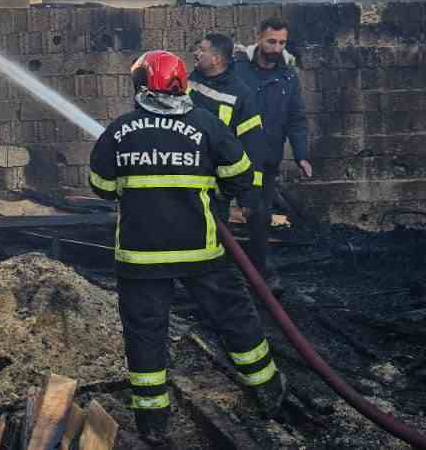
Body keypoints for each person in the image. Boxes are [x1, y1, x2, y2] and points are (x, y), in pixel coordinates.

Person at [89, 51, 285, 444]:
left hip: (140, 259)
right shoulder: (206, 125)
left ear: (142, 84)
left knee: (145, 334)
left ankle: (152, 422)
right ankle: (267, 389)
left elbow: (102, 187)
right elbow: (241, 175)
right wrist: (215, 187)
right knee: (233, 316)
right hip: (201, 252)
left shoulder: (119, 130)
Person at [232, 17, 313, 273]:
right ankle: (214, 270)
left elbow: (296, 117)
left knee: (260, 216)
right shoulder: (237, 69)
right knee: (217, 212)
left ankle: (259, 271)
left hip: (266, 159)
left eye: (282, 42)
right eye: (271, 41)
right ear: (258, 37)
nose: (277, 48)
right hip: (231, 156)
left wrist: (301, 155)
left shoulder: (288, 76)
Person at [189, 33, 271, 274]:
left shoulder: (241, 95)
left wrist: (249, 195)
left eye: (201, 49)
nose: (196, 53)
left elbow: (253, 145)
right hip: (183, 182)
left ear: (215, 59)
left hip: (215, 190)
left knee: (213, 248)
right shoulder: (186, 83)